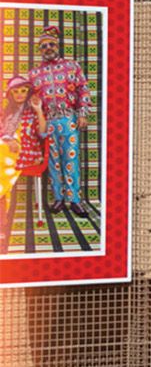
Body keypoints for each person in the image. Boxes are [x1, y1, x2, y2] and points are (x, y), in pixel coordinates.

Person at [28, 23, 89, 217]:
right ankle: (58, 199)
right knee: (53, 162)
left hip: (68, 119)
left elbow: (83, 89)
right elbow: (30, 100)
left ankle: (75, 200)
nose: (48, 48)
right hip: (48, 122)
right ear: (40, 50)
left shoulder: (72, 66)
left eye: (51, 45)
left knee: (71, 159)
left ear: (57, 45)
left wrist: (82, 113)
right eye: (44, 46)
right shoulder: (34, 74)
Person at [3, 75, 48, 251]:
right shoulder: (7, 113)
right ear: (11, 94)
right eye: (16, 91)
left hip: (28, 151)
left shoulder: (32, 111)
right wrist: (9, 139)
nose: (20, 94)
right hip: (9, 148)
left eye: (23, 91)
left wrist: (39, 110)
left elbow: (43, 133)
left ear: (28, 93)